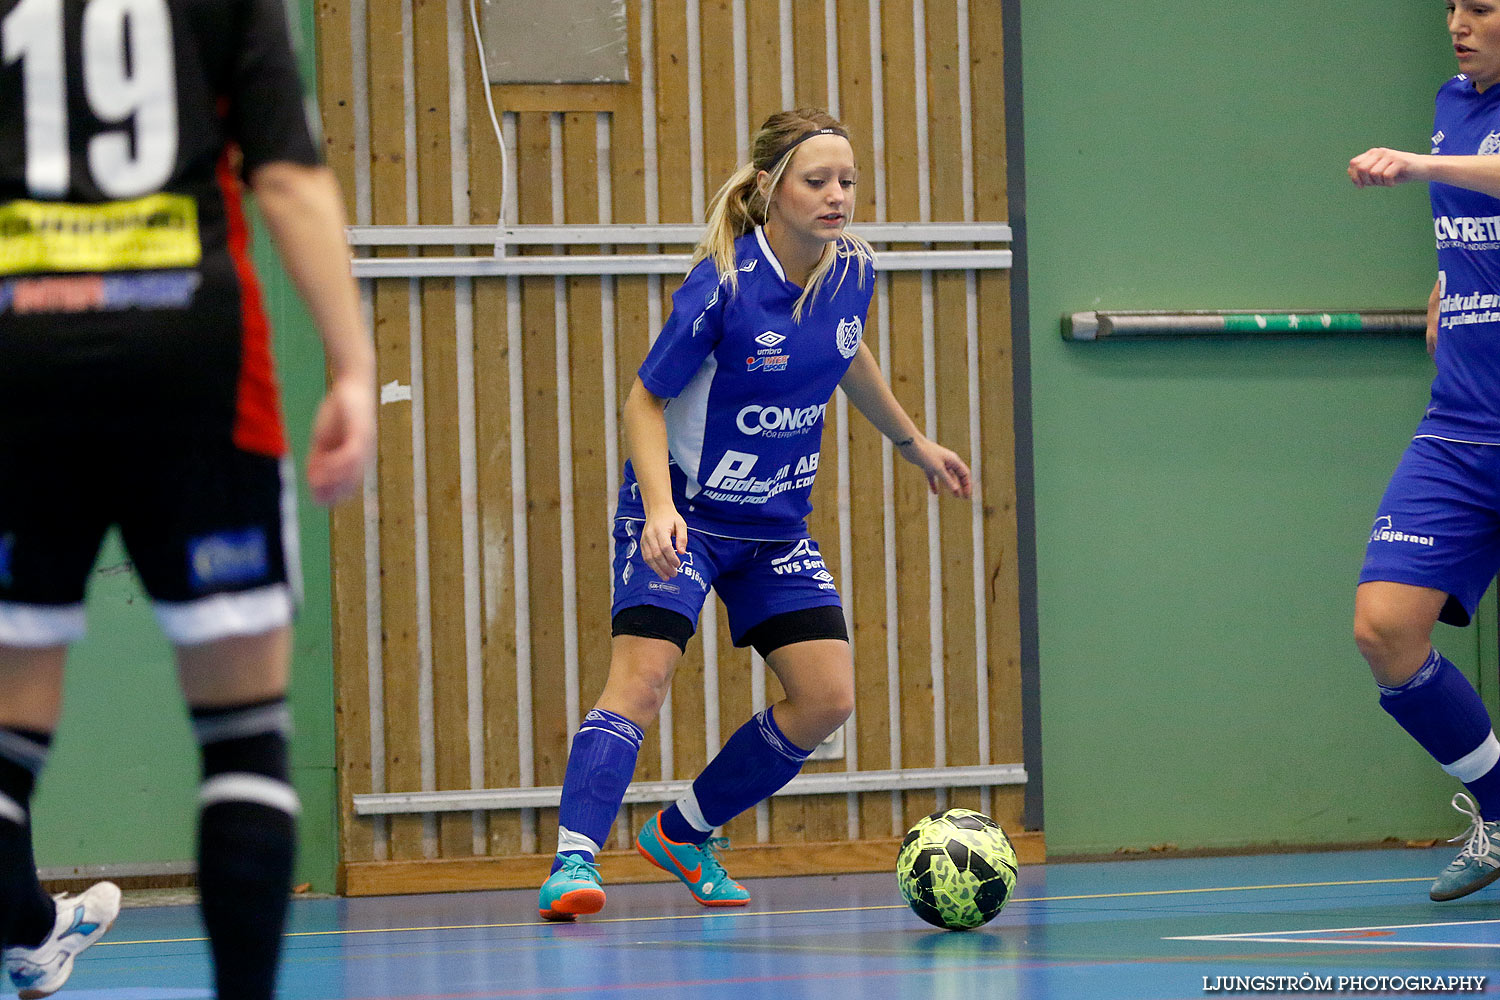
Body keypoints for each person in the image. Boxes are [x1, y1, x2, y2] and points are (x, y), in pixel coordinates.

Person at [0, 0, 375, 995]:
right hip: (195, 362)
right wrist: (350, 364)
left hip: (21, 352)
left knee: (6, 733)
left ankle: (33, 935)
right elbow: (287, 177)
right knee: (243, 731)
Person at [536, 107, 973, 921]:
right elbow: (642, 399)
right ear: (771, 189)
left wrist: (915, 442)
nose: (837, 196)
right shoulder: (724, 288)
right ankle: (572, 861)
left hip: (774, 527)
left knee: (827, 697)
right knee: (644, 679)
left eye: (847, 180)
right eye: (818, 181)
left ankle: (684, 830)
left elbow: (845, 349)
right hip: (687, 520)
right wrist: (660, 510)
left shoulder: (852, 272)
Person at [1348, 0, 1500, 902]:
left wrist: (1419, 163)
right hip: (1458, 426)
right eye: (1450, 5)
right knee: (1385, 630)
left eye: (1478, 6)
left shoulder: (1445, 138)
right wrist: (1446, 283)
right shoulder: (1454, 98)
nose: (1457, 21)